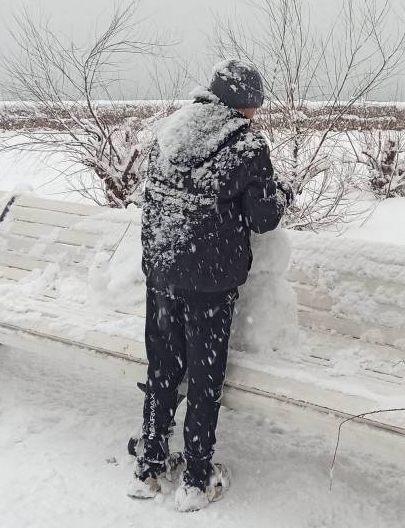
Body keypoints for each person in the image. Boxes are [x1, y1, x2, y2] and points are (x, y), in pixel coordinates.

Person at [129, 59, 292, 511]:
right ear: (245, 103)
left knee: (162, 370)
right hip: (209, 284)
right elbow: (263, 217)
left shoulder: (173, 130)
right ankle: (197, 480)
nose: (256, 115)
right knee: (203, 379)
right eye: (255, 106)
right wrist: (282, 194)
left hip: (161, 274)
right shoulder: (244, 143)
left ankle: (150, 465)